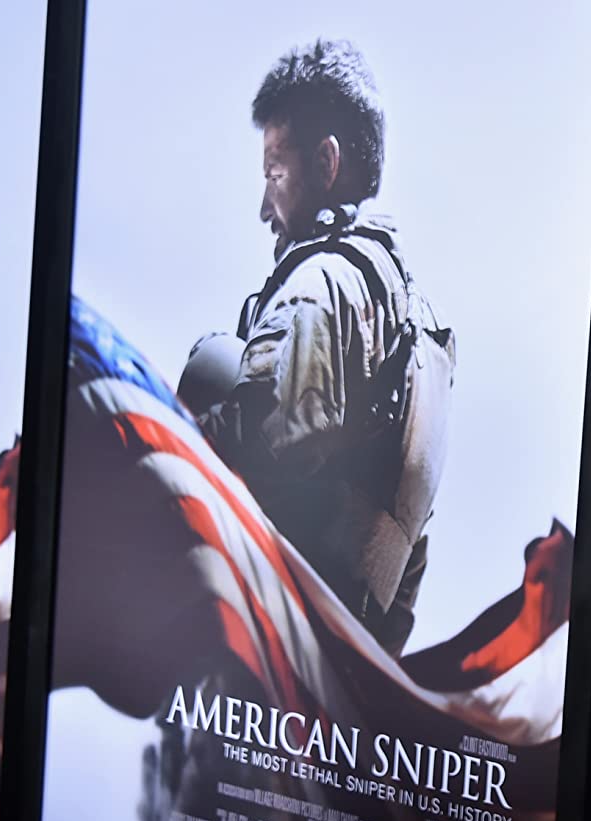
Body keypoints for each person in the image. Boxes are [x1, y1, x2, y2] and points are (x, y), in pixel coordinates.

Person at [193, 38, 454, 657]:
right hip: (350, 651)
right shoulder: (419, 328)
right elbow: (409, 551)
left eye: (274, 174)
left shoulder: (320, 285)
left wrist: (177, 431)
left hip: (273, 638)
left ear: (326, 163)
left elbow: (268, 452)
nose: (265, 207)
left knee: (213, 364)